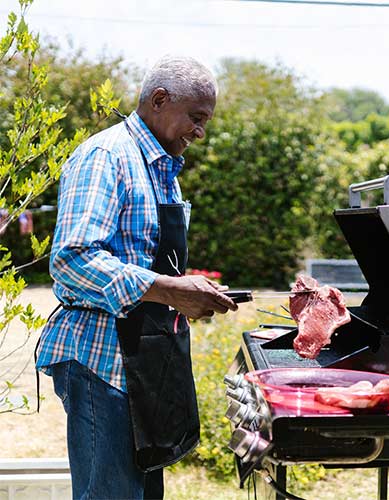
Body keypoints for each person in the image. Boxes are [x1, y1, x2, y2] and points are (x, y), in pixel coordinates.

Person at [35, 55, 238, 500]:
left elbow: (145, 258)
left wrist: (190, 293)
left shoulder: (163, 169)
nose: (200, 132)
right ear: (160, 99)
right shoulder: (106, 157)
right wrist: (170, 290)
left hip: (144, 362)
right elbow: (73, 260)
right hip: (100, 362)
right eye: (197, 118)